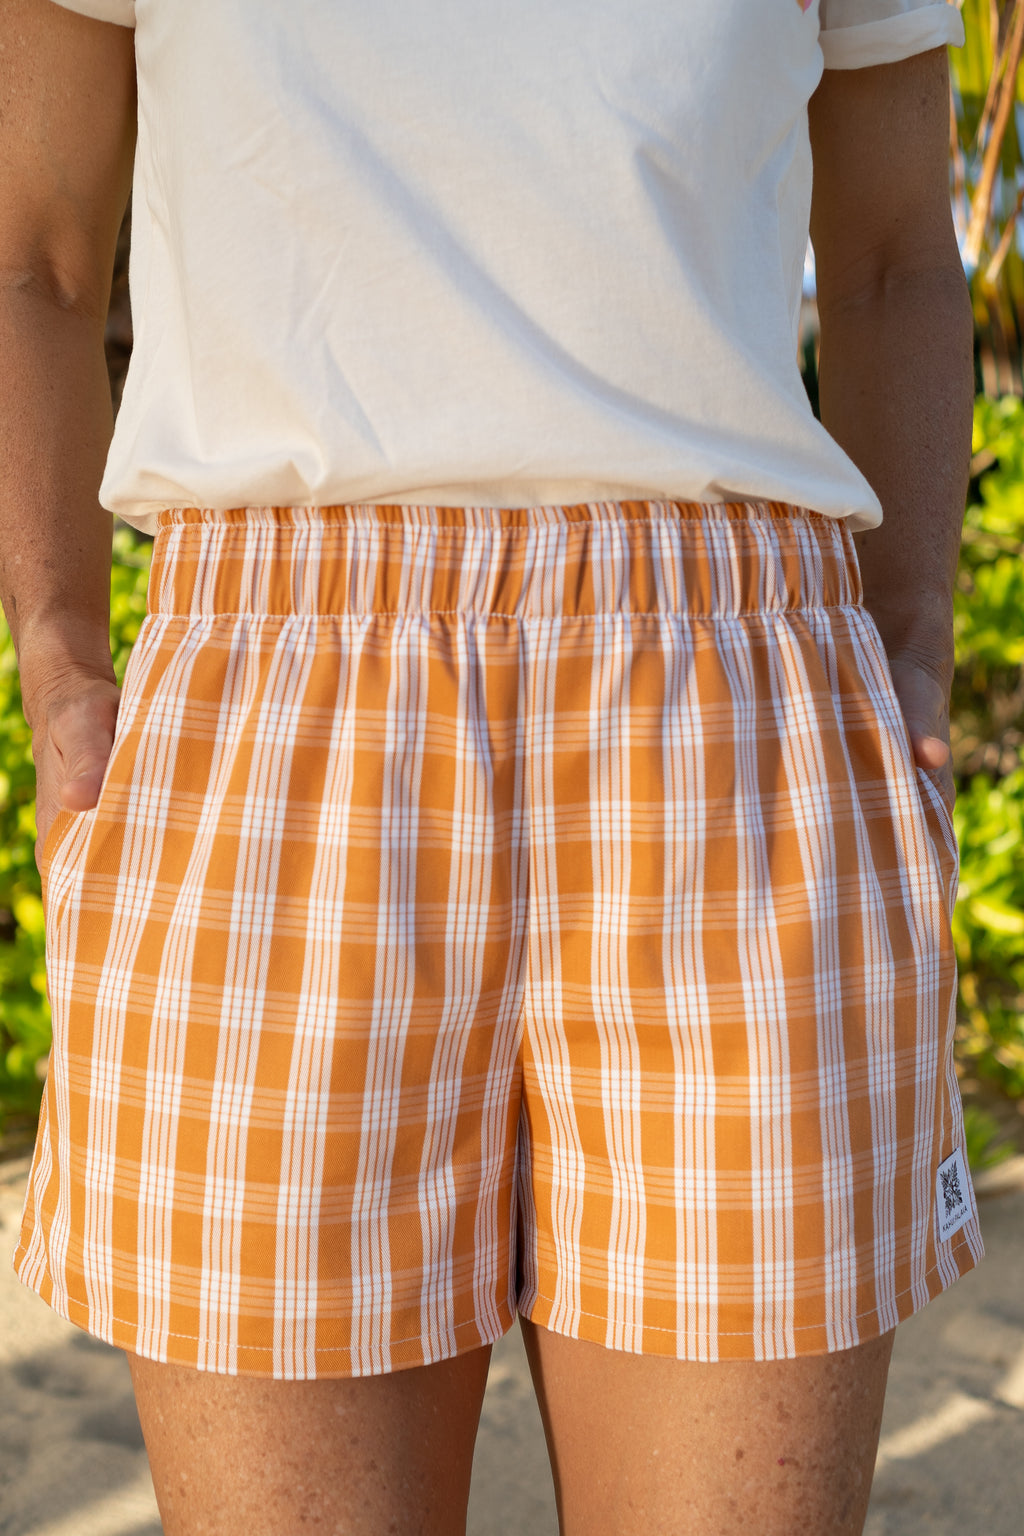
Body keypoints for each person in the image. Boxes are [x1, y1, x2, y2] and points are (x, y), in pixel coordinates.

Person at [1, 0, 983, 1532]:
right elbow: (35, 251)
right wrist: (61, 657)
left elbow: (894, 258)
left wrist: (911, 641)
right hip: (278, 728)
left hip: (729, 730)